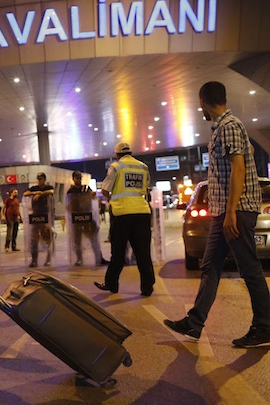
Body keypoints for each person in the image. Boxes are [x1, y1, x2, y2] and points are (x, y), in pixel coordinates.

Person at [165, 81, 270, 347]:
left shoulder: (229, 126)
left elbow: (238, 169)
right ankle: (194, 322)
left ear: (203, 101)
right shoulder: (225, 128)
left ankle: (265, 326)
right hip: (223, 211)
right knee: (209, 266)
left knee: (249, 269)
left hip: (236, 211)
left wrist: (232, 212)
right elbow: (248, 154)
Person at [94, 142, 155, 296]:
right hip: (142, 213)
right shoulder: (143, 167)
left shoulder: (116, 166)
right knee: (143, 253)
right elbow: (147, 188)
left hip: (122, 215)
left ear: (117, 154)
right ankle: (147, 288)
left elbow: (105, 189)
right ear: (131, 152)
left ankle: (111, 284)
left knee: (119, 252)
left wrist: (112, 201)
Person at [66, 171, 109, 266]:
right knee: (77, 240)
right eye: (77, 178)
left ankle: (99, 257)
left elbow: (92, 196)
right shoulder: (71, 191)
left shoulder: (85, 188)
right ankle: (79, 259)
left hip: (87, 217)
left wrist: (92, 195)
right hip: (77, 218)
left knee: (94, 238)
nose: (79, 180)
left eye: (80, 178)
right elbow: (69, 205)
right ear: (73, 179)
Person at [23, 172, 55, 267]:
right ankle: (34, 260)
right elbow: (25, 193)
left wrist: (41, 194)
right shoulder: (34, 188)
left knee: (48, 238)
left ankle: (48, 259)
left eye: (41, 179)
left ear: (44, 179)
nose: (39, 181)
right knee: (34, 239)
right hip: (36, 215)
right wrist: (35, 193)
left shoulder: (48, 187)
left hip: (46, 215)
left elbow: (51, 192)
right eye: (38, 179)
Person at [1, 188, 21, 252]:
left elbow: (18, 209)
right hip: (10, 218)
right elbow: (3, 208)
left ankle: (14, 247)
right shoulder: (8, 200)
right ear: (11, 193)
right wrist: (2, 215)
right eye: (15, 192)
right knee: (9, 233)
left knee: (15, 233)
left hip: (16, 218)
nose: (16, 194)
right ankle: (6, 246)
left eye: (17, 192)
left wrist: (20, 216)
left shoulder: (17, 200)